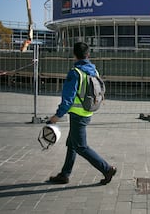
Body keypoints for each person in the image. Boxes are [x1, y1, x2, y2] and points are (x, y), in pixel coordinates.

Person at [48, 42, 116, 185]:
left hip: (78, 115)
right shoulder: (94, 71)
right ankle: (64, 174)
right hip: (88, 111)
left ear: (74, 55)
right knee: (72, 143)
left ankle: (107, 169)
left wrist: (56, 116)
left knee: (81, 147)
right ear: (88, 55)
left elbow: (68, 99)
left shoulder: (75, 73)